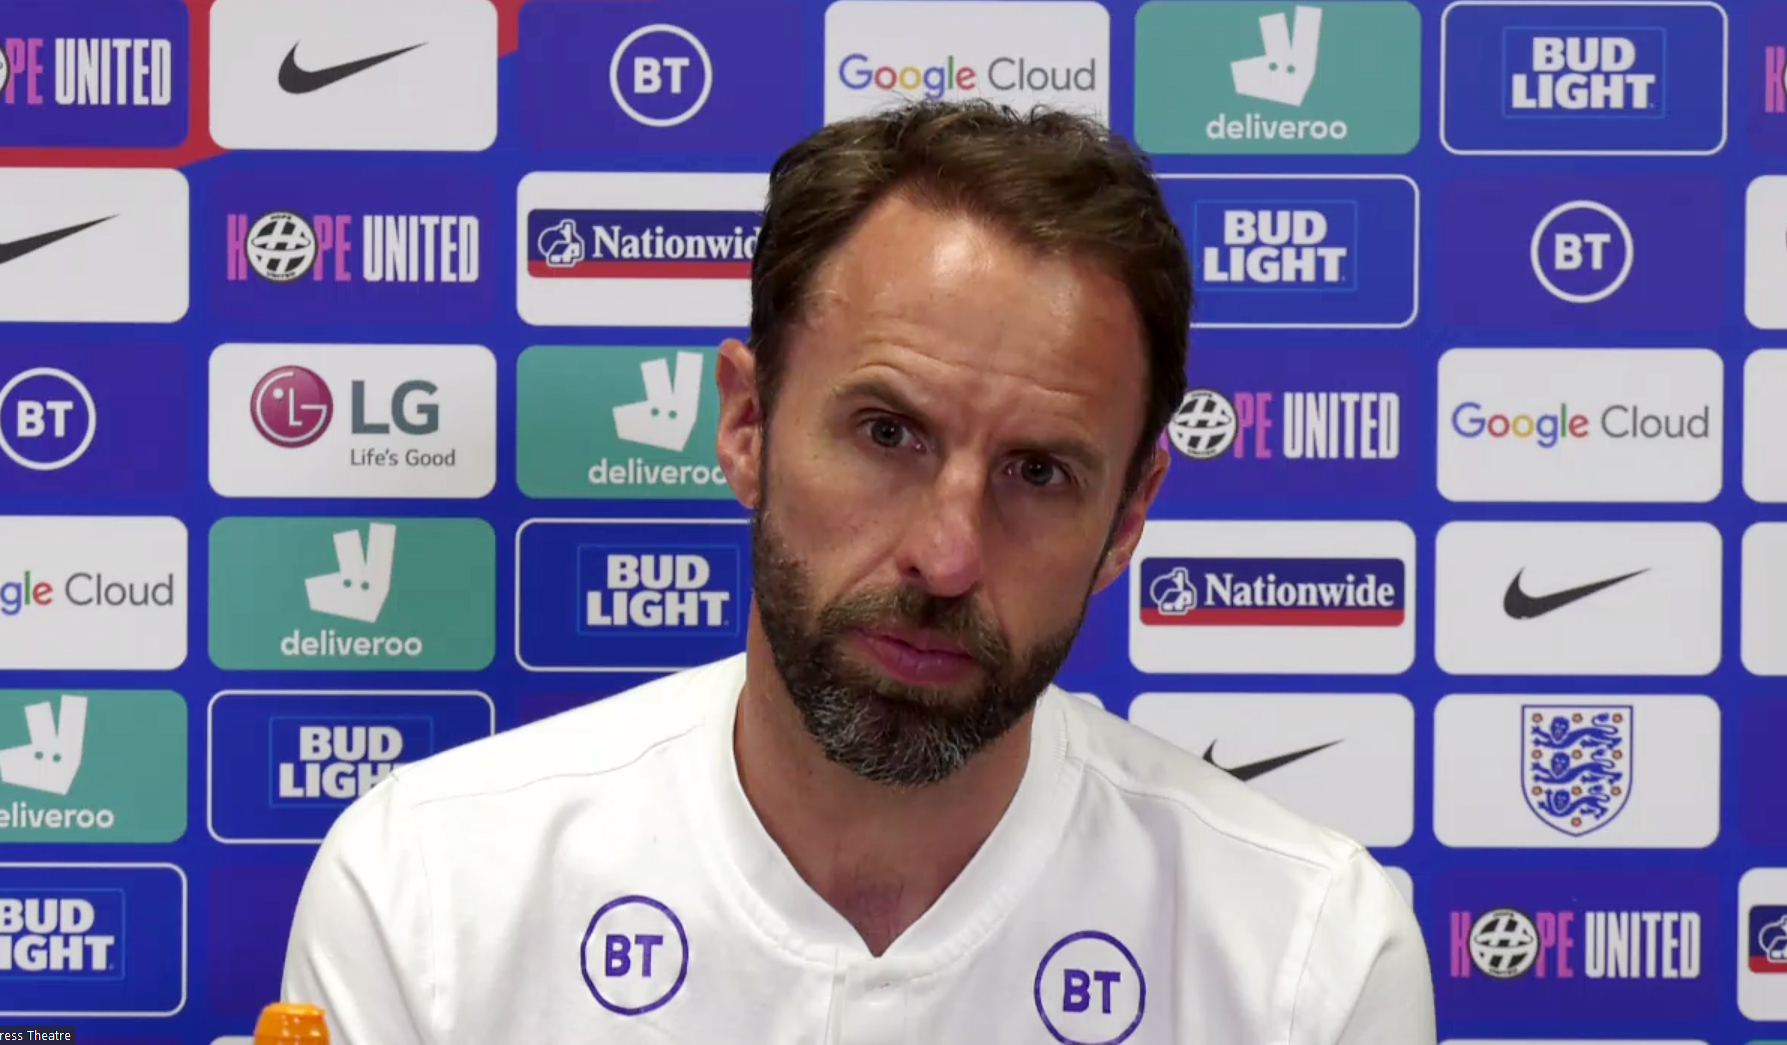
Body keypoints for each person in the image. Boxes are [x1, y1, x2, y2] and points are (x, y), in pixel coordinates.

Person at [279, 98, 1437, 1043]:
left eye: (1037, 472)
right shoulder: (429, 893)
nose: (947, 554)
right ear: (746, 424)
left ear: (1128, 515)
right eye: (887, 433)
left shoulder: (1306, 958)